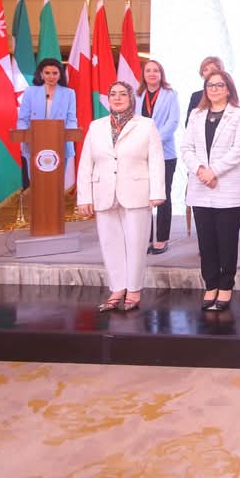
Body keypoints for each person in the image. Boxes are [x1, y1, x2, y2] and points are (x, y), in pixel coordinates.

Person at [76, 81, 165, 312]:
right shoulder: (96, 126)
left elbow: (156, 161)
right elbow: (86, 163)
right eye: (113, 94)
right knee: (110, 243)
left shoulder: (146, 125)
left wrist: (157, 192)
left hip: (136, 191)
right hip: (103, 191)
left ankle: (133, 289)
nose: (117, 98)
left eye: (122, 94)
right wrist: (84, 197)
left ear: (131, 98)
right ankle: (117, 288)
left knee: (136, 243)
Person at [181, 69, 240, 312]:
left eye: (220, 85)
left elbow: (239, 150)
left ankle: (226, 285)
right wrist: (201, 170)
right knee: (206, 241)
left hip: (227, 187)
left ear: (228, 89)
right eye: (210, 85)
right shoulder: (196, 114)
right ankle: (210, 285)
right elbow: (186, 148)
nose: (215, 89)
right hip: (200, 186)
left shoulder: (239, 114)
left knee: (227, 241)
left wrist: (214, 171)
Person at [135, 59, 179, 255]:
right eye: (148, 71)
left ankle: (161, 238)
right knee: (143, 196)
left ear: (161, 74)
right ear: (143, 75)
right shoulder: (136, 95)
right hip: (140, 153)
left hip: (164, 152)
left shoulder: (170, 94)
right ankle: (145, 238)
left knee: (163, 195)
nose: (152, 74)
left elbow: (173, 121)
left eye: (156, 71)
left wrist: (153, 141)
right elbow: (132, 121)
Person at [17, 57, 77, 187]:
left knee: (56, 185)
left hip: (60, 144)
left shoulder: (69, 93)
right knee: (37, 184)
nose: (51, 76)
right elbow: (23, 119)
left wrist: (70, 133)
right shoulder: (30, 92)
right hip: (34, 143)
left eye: (55, 73)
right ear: (41, 74)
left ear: (60, 74)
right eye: (47, 73)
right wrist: (24, 135)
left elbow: (71, 119)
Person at [185, 55, 225, 126]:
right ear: (202, 74)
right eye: (205, 70)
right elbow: (188, 124)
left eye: (213, 69)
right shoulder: (196, 96)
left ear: (220, 71)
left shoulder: (227, 94)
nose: (209, 72)